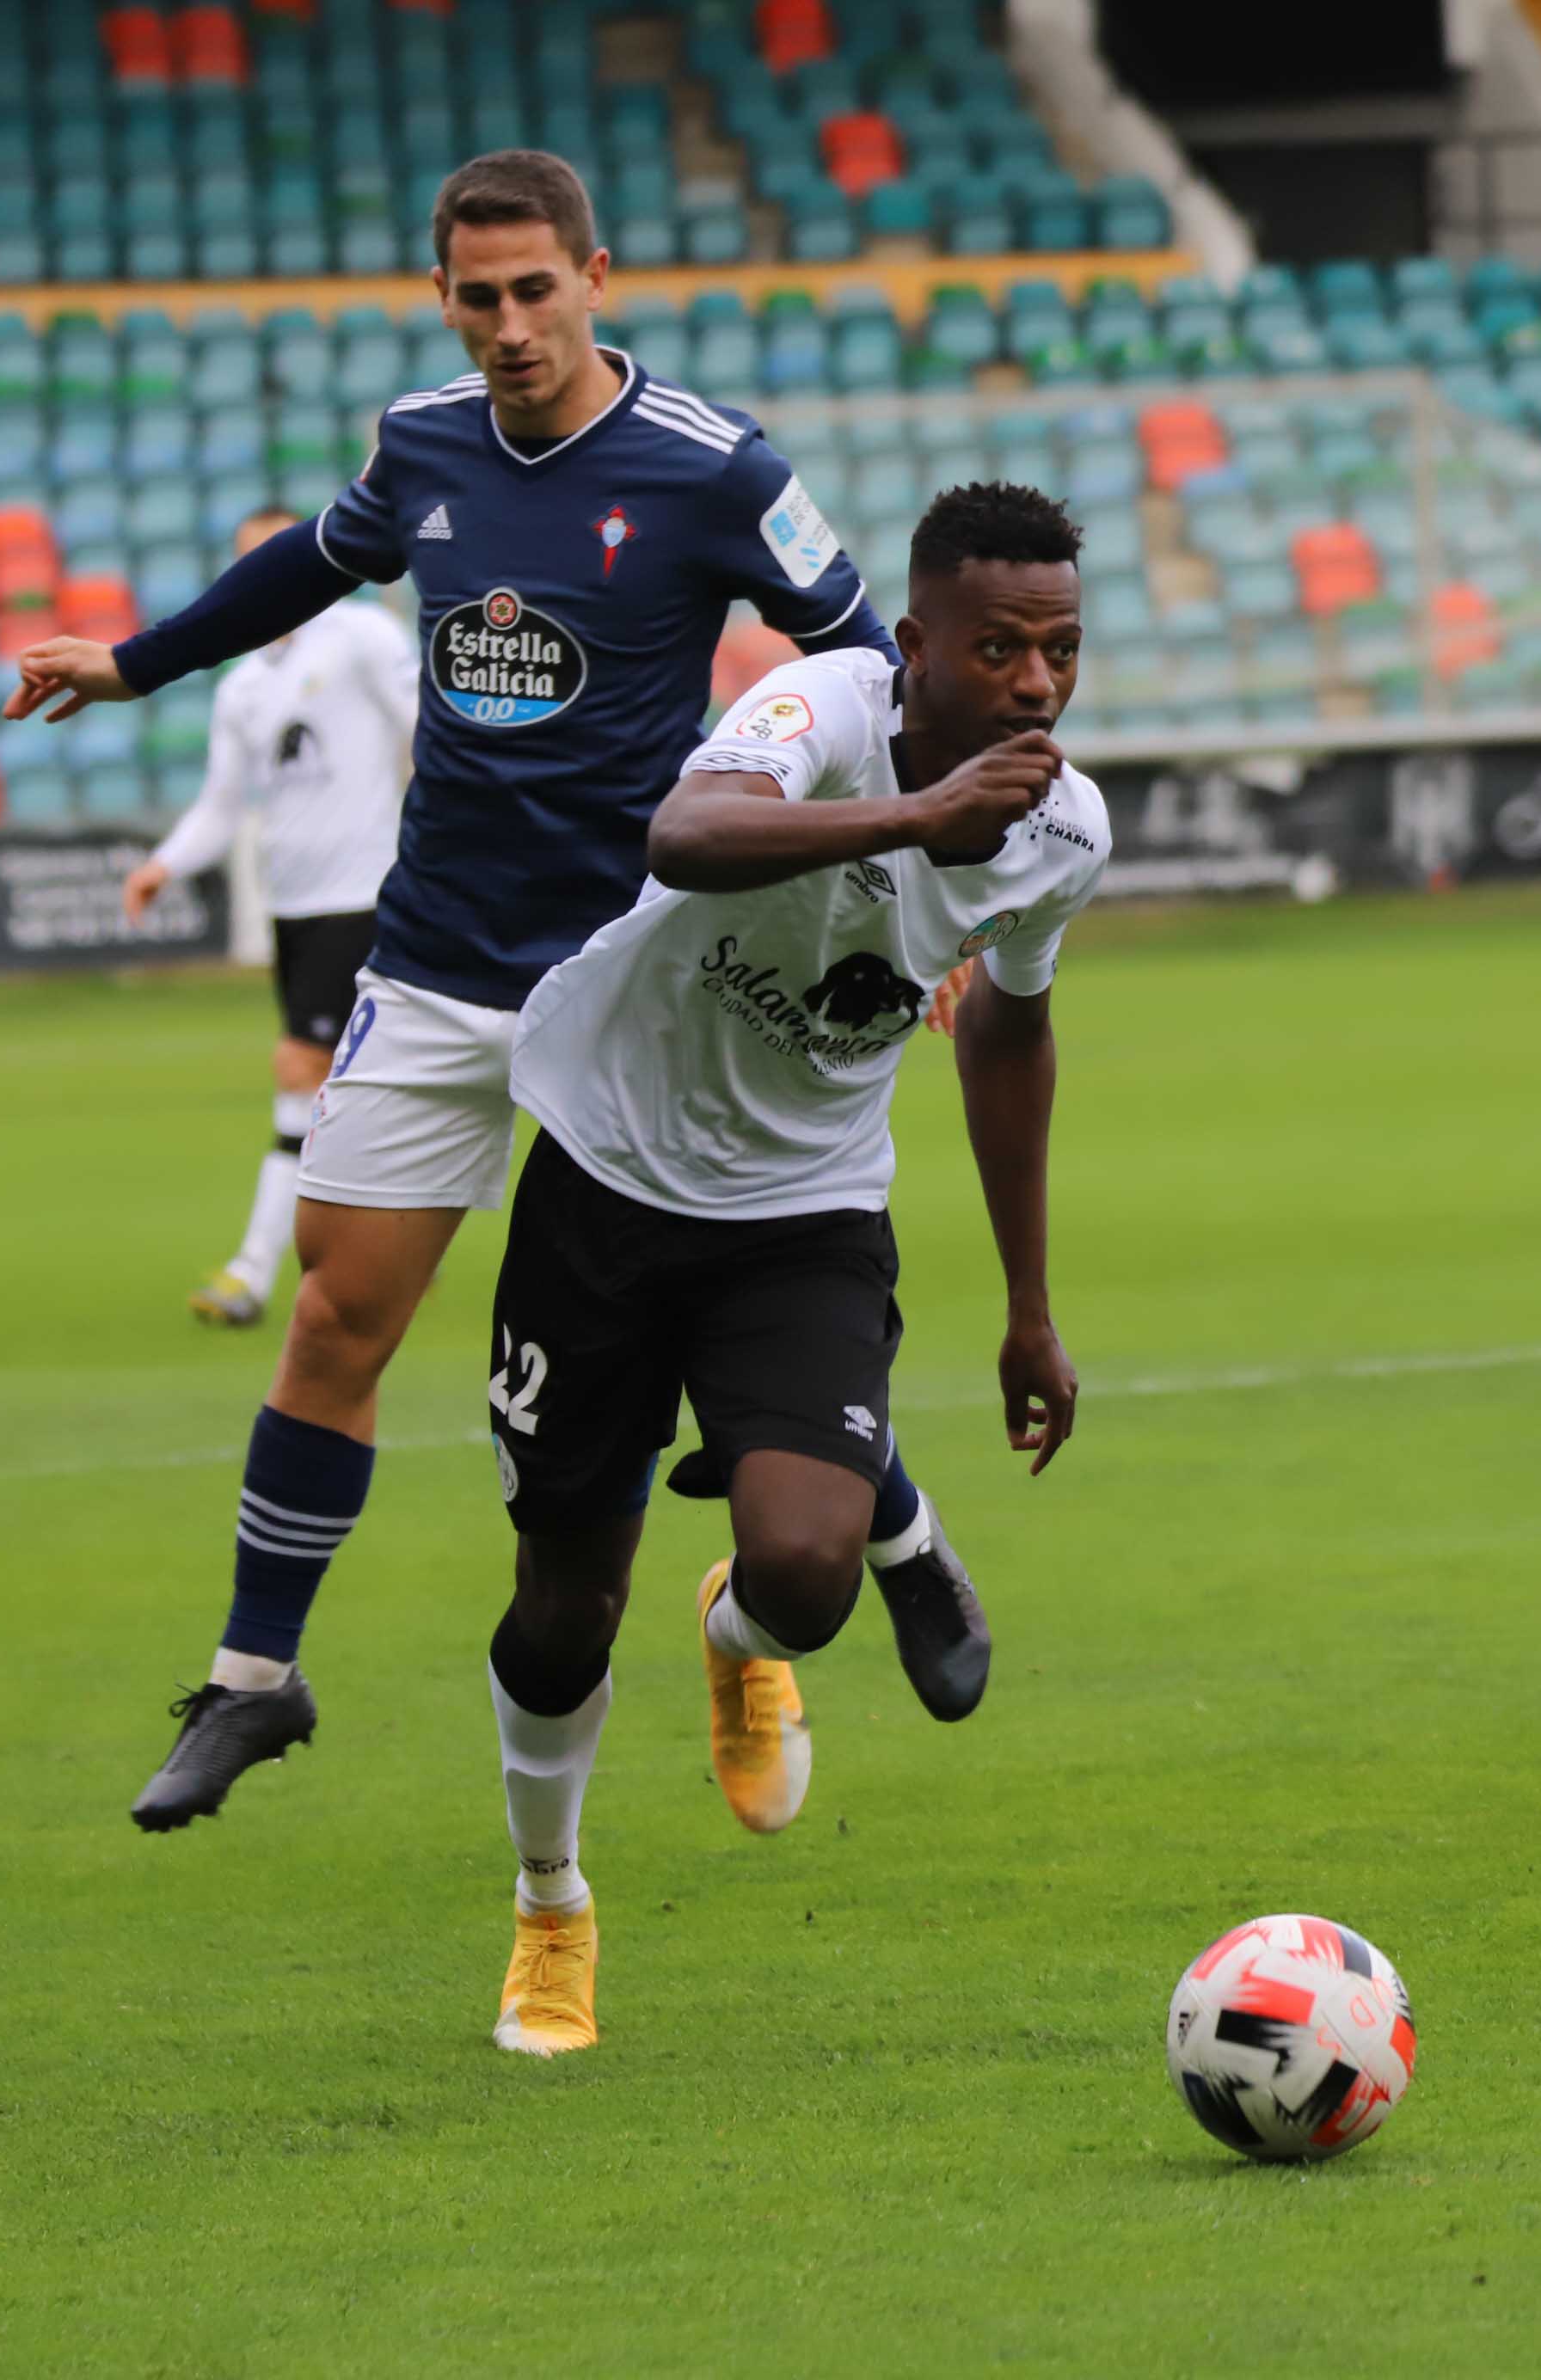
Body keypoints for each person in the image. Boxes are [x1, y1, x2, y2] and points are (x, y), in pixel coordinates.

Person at [1, 150, 994, 1834]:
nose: (514, 326)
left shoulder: (715, 468)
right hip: (446, 954)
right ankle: (256, 1679)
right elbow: (312, 562)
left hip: (644, 979)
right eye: (482, 298)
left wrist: (921, 897)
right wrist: (134, 659)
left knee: (704, 1297)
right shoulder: (422, 440)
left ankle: (882, 1518)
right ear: (445, 300)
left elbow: (871, 673)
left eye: (540, 290)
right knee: (335, 1311)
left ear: (595, 275)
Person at [480, 481, 1107, 2056]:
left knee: (808, 1568)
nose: (1033, 684)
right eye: (998, 649)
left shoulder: (1065, 830)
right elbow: (684, 837)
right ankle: (551, 1904)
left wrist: (1030, 1311)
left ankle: (741, 1638)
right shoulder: (820, 707)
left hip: (804, 1213)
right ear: (915, 648)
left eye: (1063, 651)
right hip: (607, 1176)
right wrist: (913, 820)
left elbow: (1013, 1035)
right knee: (560, 1602)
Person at [119, 507, 419, 1327]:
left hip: (365, 892)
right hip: (293, 908)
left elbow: (428, 731)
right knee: (352, 1091)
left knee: (303, 1073)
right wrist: (163, 865)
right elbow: (221, 807)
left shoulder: (361, 638)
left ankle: (254, 1273)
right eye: (256, 561)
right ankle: (362, 1260)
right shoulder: (243, 687)